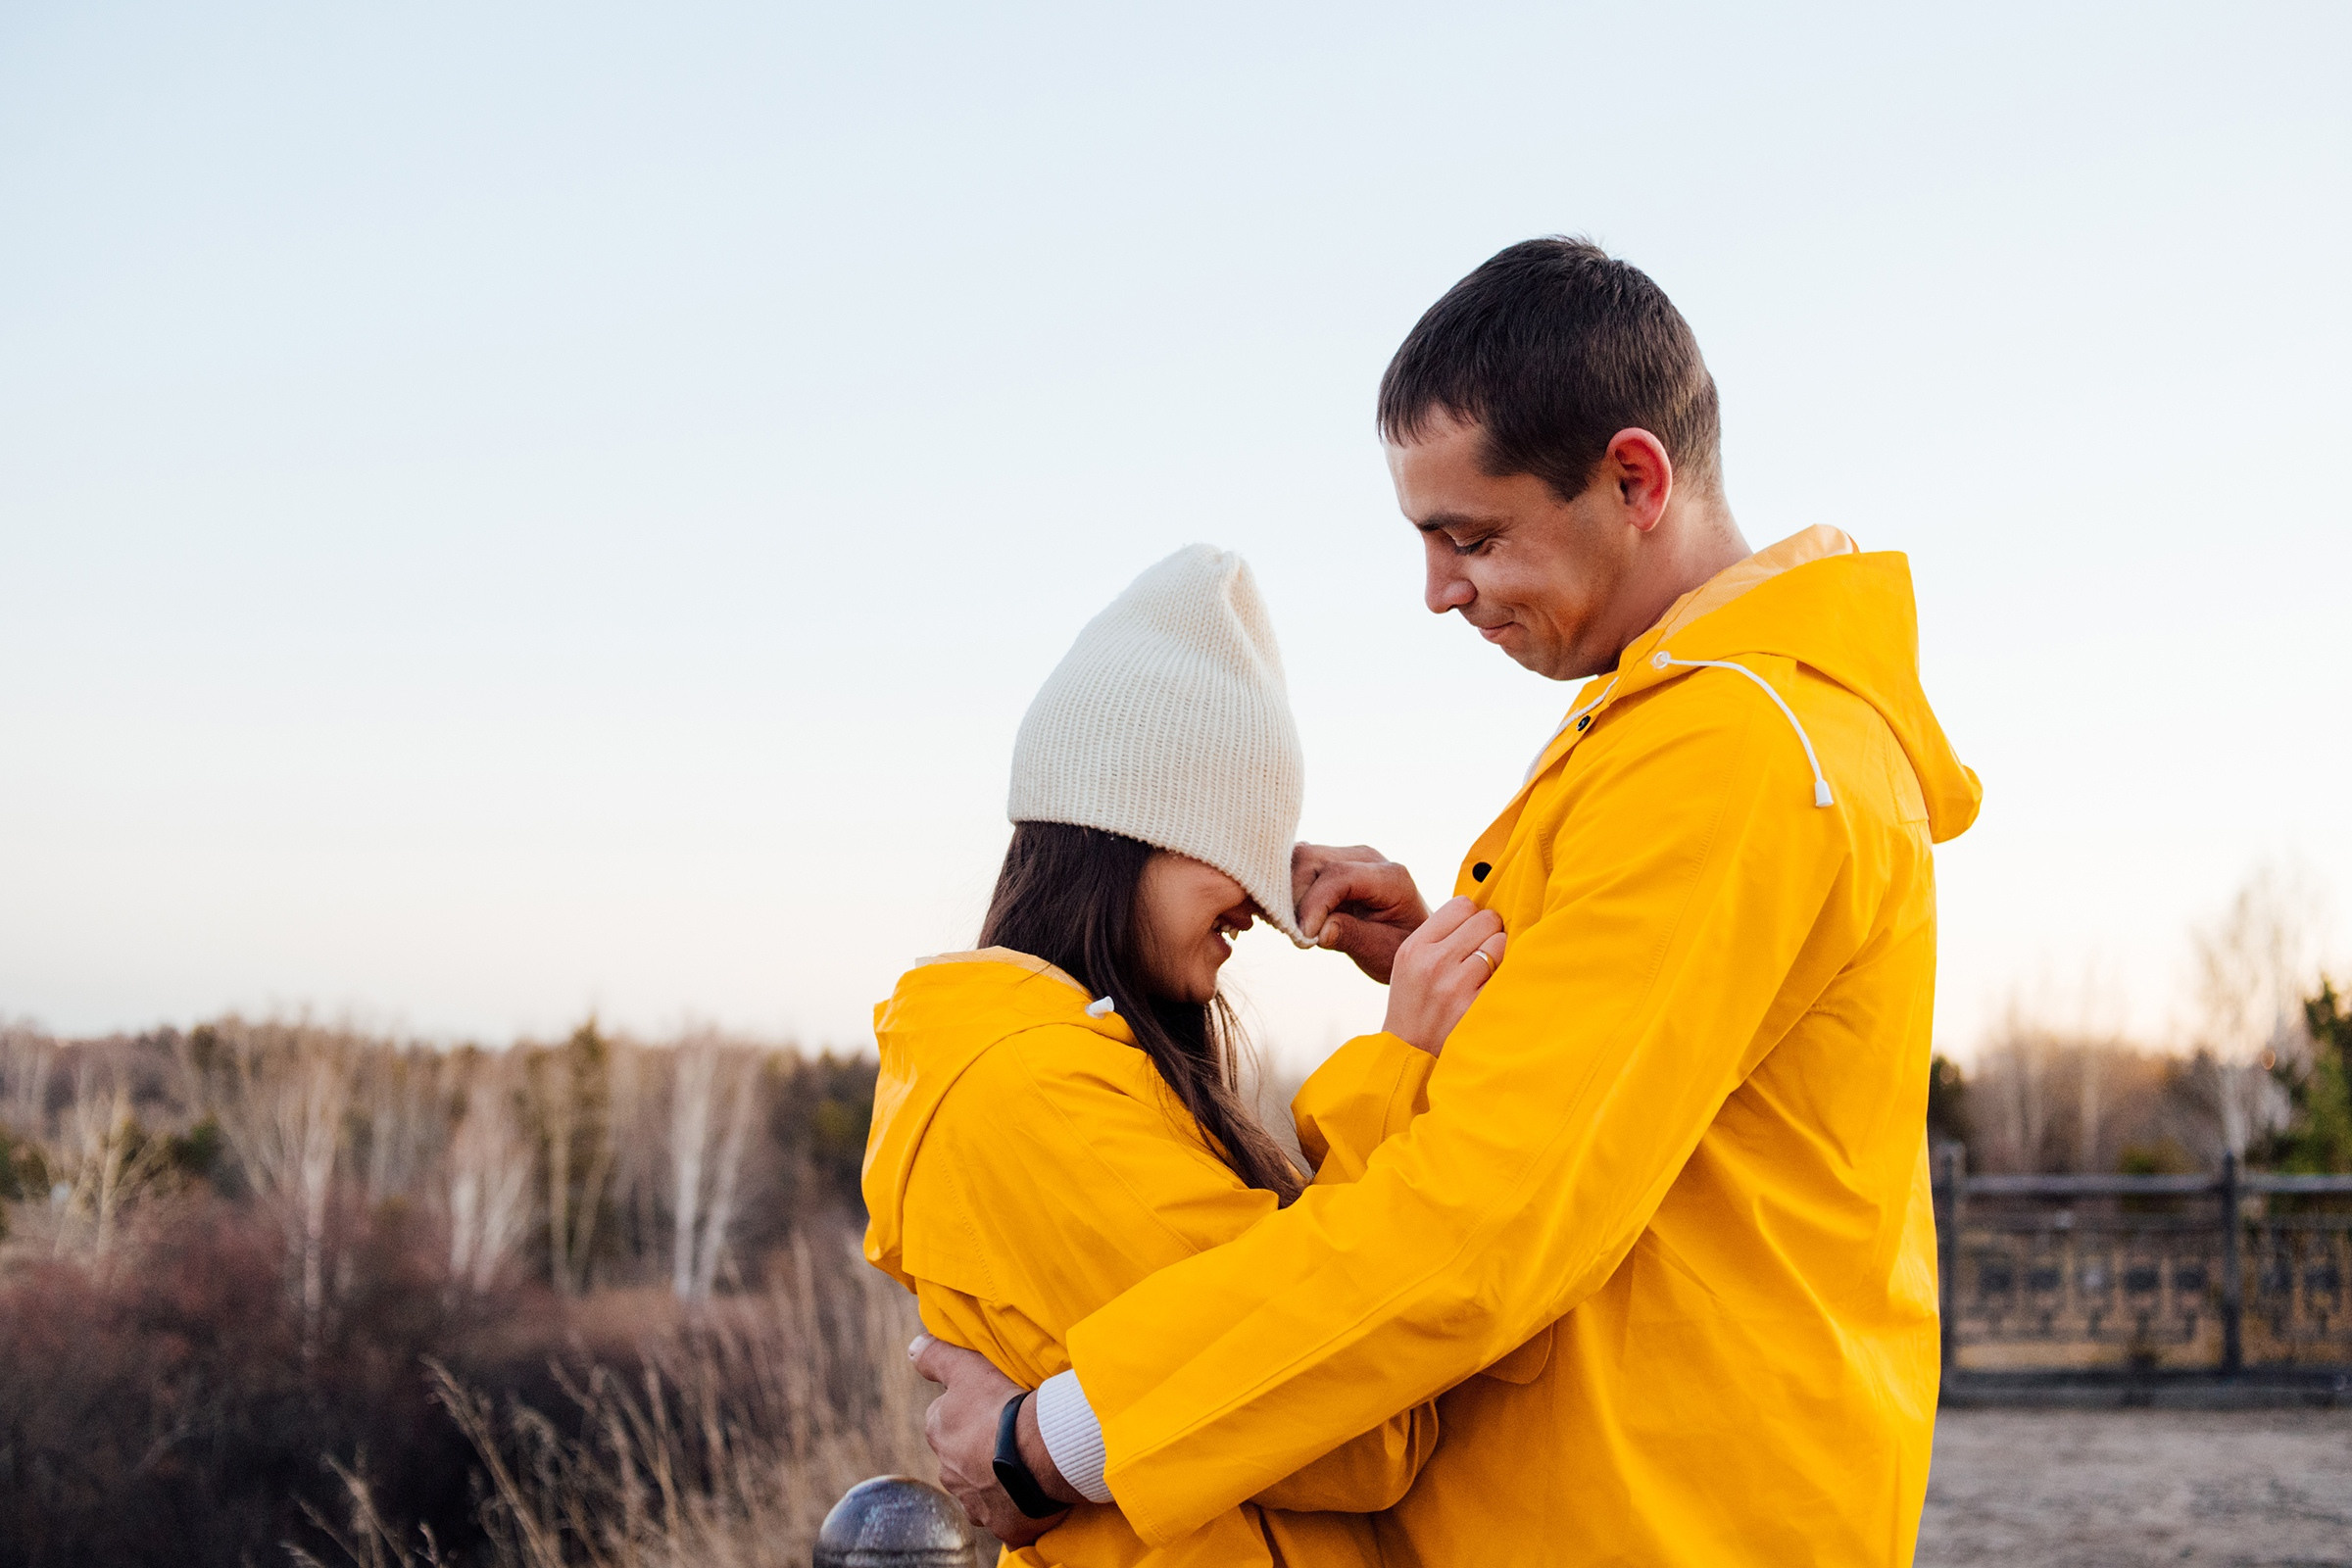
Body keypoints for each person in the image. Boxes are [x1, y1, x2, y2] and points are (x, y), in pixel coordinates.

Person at [914, 239, 1984, 1567]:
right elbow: (1622, 1116)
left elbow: (1479, 1226)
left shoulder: (1730, 757)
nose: (1439, 591)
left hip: (1647, 1526)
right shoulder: (1700, 734)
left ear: (1635, 480)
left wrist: (1051, 1441)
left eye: (1471, 538)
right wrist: (1444, 962)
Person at [861, 544, 1507, 1566]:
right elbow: (1356, 1418)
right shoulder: (1034, 1092)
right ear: (1135, 823)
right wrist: (1404, 1063)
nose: (1260, 893)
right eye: (1237, 836)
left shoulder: (1061, 1066)